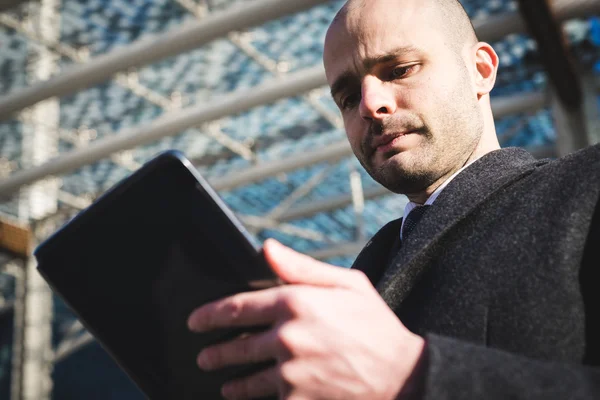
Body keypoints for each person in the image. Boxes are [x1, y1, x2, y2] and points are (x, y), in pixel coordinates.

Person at [187, 0, 600, 398]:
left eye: (400, 69)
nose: (369, 105)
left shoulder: (586, 187)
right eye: (347, 97)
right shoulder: (359, 275)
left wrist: (416, 377)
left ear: (480, 69)